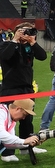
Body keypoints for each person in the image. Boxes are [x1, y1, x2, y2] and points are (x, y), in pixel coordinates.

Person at [0, 22, 48, 160]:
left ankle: (26, 147)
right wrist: (15, 40)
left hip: (27, 87)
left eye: (29, 32)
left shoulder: (29, 47)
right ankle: (7, 153)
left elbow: (43, 56)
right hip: (10, 88)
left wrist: (33, 42)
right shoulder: (6, 44)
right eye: (23, 31)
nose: (26, 35)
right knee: (9, 121)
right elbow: (5, 56)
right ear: (17, 31)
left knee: (27, 119)